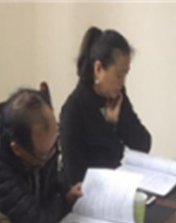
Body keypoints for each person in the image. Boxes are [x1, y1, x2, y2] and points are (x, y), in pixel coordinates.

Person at [0, 89, 83, 223]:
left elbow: (52, 178)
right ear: (17, 149)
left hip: (41, 217)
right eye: (45, 155)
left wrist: (66, 190)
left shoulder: (42, 143)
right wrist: (63, 200)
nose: (54, 154)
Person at [60, 27, 151, 185]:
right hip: (88, 193)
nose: (123, 82)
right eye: (119, 75)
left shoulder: (116, 96)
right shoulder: (73, 110)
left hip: (117, 184)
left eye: (126, 74)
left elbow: (144, 144)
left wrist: (118, 122)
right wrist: (109, 126)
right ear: (98, 69)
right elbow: (76, 177)